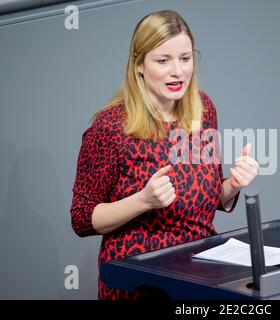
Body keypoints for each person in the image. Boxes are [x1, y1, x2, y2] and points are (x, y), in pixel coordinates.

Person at [70, 10, 259, 300]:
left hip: (200, 274)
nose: (178, 71)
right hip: (138, 280)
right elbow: (82, 218)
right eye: (163, 61)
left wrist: (233, 185)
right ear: (139, 65)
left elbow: (201, 197)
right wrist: (143, 201)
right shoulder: (111, 127)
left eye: (185, 59)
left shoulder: (201, 110)